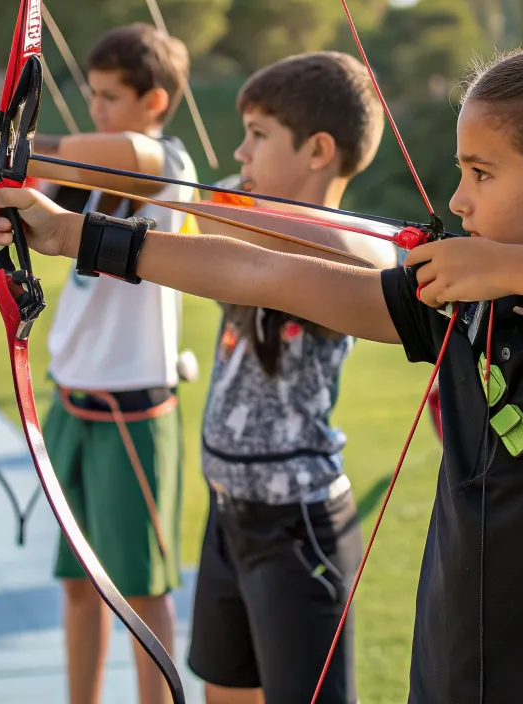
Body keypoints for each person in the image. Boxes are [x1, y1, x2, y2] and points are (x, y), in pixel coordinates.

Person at [0, 42, 523, 704]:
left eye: (480, 174)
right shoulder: (465, 309)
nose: (458, 199)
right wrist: (76, 233)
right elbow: (262, 275)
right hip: (446, 676)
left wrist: (494, 263)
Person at [188, 52, 394, 704]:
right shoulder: (245, 220)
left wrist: (220, 206)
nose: (239, 152)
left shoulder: (356, 244)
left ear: (319, 151)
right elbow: (206, 222)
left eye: (258, 135)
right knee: (223, 692)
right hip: (228, 513)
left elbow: (362, 255)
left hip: (297, 526)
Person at [29, 23, 198, 704]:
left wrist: (21, 151)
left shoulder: (169, 167)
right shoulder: (91, 186)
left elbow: (99, 155)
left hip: (133, 408)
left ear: (153, 100)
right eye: (91, 95)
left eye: (109, 96)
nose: (95, 108)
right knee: (78, 583)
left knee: (140, 593)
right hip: (71, 398)